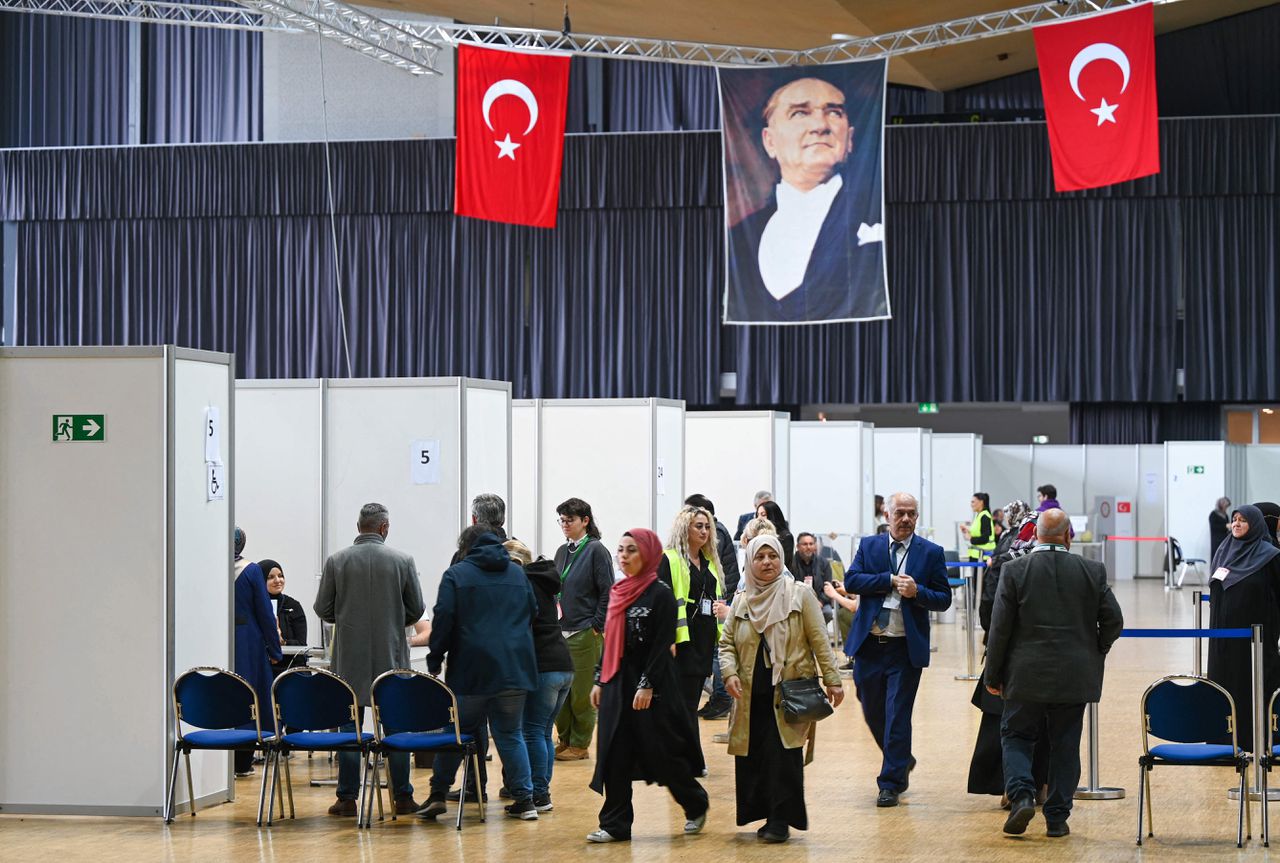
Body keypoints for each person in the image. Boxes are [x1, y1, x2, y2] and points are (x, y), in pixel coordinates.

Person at [984, 509, 1124, 838]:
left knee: (1016, 736)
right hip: (1075, 674)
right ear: (1068, 536)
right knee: (1065, 744)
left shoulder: (1015, 570)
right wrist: (1095, 649)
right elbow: (1114, 621)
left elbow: (999, 628)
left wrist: (993, 675)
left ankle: (1020, 796)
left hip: (1024, 674)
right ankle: (1058, 818)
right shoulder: (1092, 570)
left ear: (1036, 536)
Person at [725, 76, 886, 323]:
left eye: (833, 112)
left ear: (850, 138)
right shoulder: (738, 241)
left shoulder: (877, 214)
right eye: (800, 113)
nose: (820, 126)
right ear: (770, 141)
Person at [586, 529, 709, 843]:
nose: (624, 556)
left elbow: (661, 644)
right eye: (621, 550)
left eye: (632, 550)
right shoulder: (617, 592)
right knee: (614, 753)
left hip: (653, 685)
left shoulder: (661, 594)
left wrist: (647, 685)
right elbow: (609, 641)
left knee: (661, 754)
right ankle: (615, 824)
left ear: (648, 554)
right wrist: (601, 678)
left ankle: (695, 803)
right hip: (617, 683)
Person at [721, 534, 844, 842]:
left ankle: (780, 821)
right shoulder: (742, 599)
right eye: (759, 557)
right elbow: (726, 644)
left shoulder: (799, 595)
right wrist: (729, 673)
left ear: (781, 559)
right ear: (750, 562)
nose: (767, 563)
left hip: (788, 691)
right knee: (755, 757)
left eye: (772, 556)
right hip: (750, 694)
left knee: (783, 757)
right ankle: (765, 816)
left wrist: (833, 679)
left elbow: (819, 639)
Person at [421, 526, 540, 821]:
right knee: (511, 734)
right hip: (514, 668)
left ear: (465, 547)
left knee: (457, 732)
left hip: (470, 670)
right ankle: (525, 801)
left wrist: (435, 659)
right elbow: (533, 611)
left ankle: (438, 794)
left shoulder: (457, 574)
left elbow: (444, 618)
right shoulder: (517, 574)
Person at [314, 504, 425, 817]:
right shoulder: (403, 561)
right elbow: (416, 610)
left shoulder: (337, 561)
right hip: (392, 656)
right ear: (384, 528)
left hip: (349, 658)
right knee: (396, 727)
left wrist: (348, 616)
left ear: (358, 525)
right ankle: (402, 796)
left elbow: (323, 609)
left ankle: (347, 798)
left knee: (349, 727)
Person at [845, 491, 951, 807]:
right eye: (900, 513)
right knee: (871, 708)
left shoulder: (931, 552)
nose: (906, 519)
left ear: (917, 517)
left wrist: (917, 592)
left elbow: (943, 598)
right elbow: (852, 581)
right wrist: (888, 580)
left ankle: (890, 782)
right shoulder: (870, 545)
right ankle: (901, 758)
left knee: (897, 715)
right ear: (887, 515)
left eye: (912, 513)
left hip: (905, 649)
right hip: (869, 646)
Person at [967, 500, 1048, 802]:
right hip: (1046, 659)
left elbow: (990, 607)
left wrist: (991, 640)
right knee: (1044, 724)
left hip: (1008, 656)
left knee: (1003, 724)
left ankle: (1009, 787)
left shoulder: (1006, 556)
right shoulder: (1052, 564)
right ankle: (1041, 784)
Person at [507, 537, 574, 813]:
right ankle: (542, 793)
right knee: (544, 731)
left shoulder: (521, 584)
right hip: (563, 663)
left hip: (542, 665)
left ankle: (538, 794)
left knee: (531, 731)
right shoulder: (545, 581)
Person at [1207, 504, 1280, 750]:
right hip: (1222, 642)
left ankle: (1254, 741)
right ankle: (1221, 741)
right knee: (1222, 688)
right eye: (1235, 519)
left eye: (1243, 520)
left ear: (1256, 524)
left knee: (1250, 688)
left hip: (1253, 642)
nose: (1237, 524)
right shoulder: (1223, 551)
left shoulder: (1269, 555)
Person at [658, 505, 725, 773]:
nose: (705, 531)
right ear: (684, 527)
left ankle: (686, 758)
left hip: (705, 640)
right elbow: (661, 603)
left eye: (707, 526)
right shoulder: (670, 559)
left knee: (691, 701)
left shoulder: (709, 562)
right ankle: (687, 760)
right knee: (683, 704)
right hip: (681, 642)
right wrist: (667, 640)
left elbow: (716, 599)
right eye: (699, 526)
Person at [553, 497, 614, 761]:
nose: (565, 525)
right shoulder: (561, 551)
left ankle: (580, 743)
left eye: (570, 520)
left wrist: (597, 626)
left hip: (585, 631)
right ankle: (564, 739)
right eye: (562, 520)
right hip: (560, 631)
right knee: (560, 694)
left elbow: (607, 591)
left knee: (581, 693)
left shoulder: (596, 550)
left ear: (585, 521)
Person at [232, 528, 283, 777]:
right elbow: (265, 614)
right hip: (247, 643)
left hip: (216, 639)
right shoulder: (251, 571)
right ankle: (242, 762)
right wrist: (275, 650)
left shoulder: (209, 567)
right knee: (249, 698)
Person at [685, 493, 739, 721]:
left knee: (719, 652)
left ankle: (721, 698)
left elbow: (717, 567)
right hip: (720, 594)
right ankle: (719, 697)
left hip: (722, 594)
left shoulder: (717, 534)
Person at [262, 558, 308, 673]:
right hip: (263, 669)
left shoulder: (293, 606)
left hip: (291, 669)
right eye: (270, 577)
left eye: (280, 575)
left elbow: (302, 644)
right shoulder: (255, 607)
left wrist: (283, 642)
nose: (278, 580)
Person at [794, 532, 835, 623]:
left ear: (815, 546)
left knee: (827, 613)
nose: (808, 547)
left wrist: (821, 601)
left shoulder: (824, 563)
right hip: (797, 602)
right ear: (798, 546)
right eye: (805, 544)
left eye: (811, 544)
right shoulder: (791, 564)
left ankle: (819, 635)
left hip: (820, 601)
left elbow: (828, 587)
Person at [756, 500, 795, 571]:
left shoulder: (785, 536)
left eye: (763, 515)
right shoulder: (757, 535)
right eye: (758, 515)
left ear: (772, 515)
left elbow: (785, 563)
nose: (759, 518)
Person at [960, 492, 996, 562]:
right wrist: (967, 530)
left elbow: (985, 538)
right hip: (977, 556)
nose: (971, 505)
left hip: (982, 558)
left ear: (981, 502)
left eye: (973, 502)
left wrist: (970, 538)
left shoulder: (985, 516)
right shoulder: (979, 515)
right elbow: (978, 532)